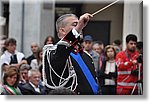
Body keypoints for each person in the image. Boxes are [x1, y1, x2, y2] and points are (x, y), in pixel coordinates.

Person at [43, 13, 99, 95]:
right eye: (75, 24)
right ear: (62, 30)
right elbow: (62, 49)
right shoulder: (53, 52)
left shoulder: (86, 55)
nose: (81, 27)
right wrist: (78, 27)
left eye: (80, 24)